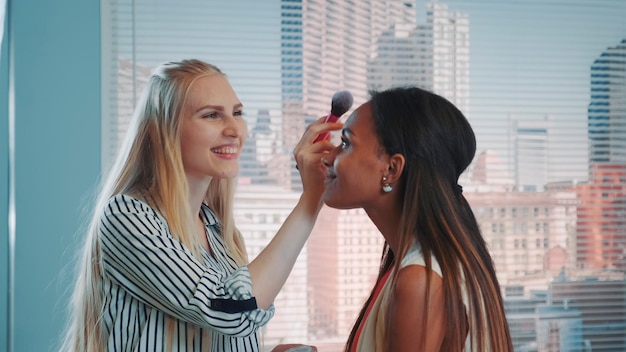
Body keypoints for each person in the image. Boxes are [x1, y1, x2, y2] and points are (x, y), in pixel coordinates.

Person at [60, 59, 339, 352]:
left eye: (237, 113)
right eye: (211, 115)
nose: (235, 129)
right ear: (161, 131)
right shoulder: (127, 216)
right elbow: (231, 309)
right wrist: (310, 201)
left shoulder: (221, 234)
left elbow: (218, 329)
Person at [320, 86, 513, 351]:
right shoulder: (417, 262)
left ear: (391, 169)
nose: (329, 156)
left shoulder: (420, 280)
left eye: (346, 143)